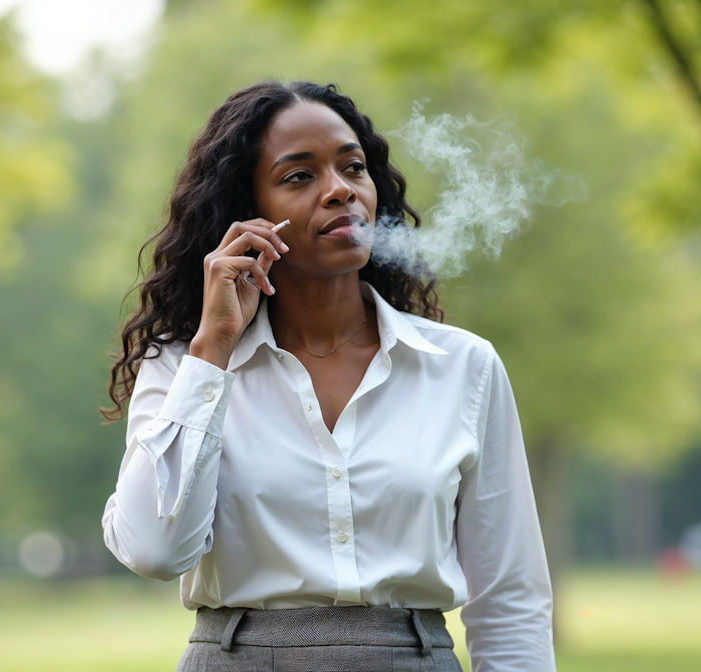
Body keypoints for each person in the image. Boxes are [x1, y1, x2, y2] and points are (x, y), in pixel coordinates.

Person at [101, 80, 554, 672]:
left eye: (353, 168)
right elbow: (155, 550)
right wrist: (211, 351)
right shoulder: (185, 366)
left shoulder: (463, 367)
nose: (340, 191)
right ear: (247, 215)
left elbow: (510, 600)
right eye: (299, 177)